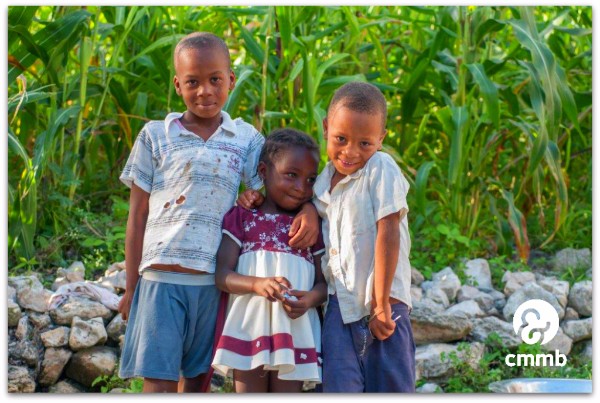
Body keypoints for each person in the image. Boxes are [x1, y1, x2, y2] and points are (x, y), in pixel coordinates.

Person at [117, 32, 317, 393]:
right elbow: (137, 216)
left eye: (215, 80)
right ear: (178, 85)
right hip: (161, 279)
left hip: (213, 282)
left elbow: (281, 180)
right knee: (158, 383)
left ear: (231, 81)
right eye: (192, 82)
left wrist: (310, 209)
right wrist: (132, 287)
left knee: (196, 381)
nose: (205, 91)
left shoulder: (246, 139)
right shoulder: (155, 135)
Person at [314, 81, 415, 392]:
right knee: (339, 388)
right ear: (326, 127)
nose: (350, 152)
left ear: (380, 140)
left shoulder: (380, 168)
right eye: (340, 139)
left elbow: (388, 231)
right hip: (339, 308)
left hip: (385, 306)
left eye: (365, 143)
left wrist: (381, 303)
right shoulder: (321, 183)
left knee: (391, 388)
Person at [212, 128, 328, 393]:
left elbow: (323, 285)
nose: (301, 188)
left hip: (295, 332)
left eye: (310, 180)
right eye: (291, 175)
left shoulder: (310, 227)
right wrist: (257, 285)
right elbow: (222, 275)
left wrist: (309, 300)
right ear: (263, 172)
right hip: (249, 328)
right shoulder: (242, 217)